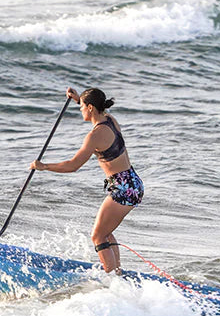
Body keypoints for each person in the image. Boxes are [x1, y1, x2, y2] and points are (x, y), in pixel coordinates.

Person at [30, 87, 144, 274]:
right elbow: (97, 109)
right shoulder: (110, 120)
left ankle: (111, 281)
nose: (80, 110)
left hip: (124, 188)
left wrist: (44, 166)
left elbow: (73, 165)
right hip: (133, 183)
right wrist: (77, 99)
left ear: (90, 107)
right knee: (105, 232)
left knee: (98, 236)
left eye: (82, 107)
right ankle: (117, 273)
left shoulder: (94, 136)